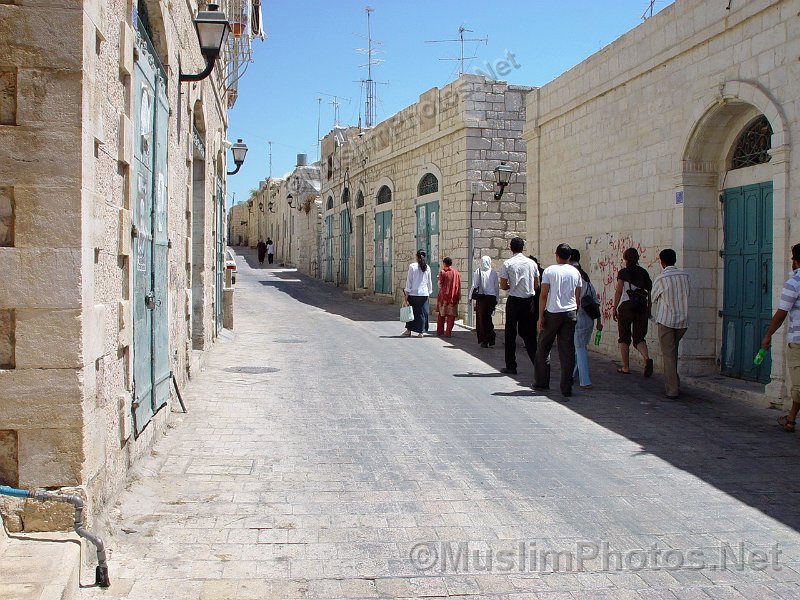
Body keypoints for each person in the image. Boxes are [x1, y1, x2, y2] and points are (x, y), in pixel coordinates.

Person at [534, 243, 582, 398]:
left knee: (543, 347)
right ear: (569, 257)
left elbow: (543, 294)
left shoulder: (549, 271)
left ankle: (542, 382)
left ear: (556, 255)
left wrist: (541, 316)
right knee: (567, 351)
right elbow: (578, 295)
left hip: (553, 312)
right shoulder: (575, 273)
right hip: (569, 313)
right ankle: (566, 387)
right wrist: (575, 311)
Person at [761, 243, 800, 432]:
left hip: (798, 342)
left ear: (795, 260)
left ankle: (791, 417)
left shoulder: (793, 282)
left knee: (799, 386)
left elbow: (781, 313)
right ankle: (791, 418)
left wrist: (768, 335)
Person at [651, 249, 690, 399]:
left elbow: (654, 297)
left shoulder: (661, 278)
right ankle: (676, 381)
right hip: (683, 320)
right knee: (672, 351)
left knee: (668, 354)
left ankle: (672, 389)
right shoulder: (685, 276)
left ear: (662, 262)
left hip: (667, 320)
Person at [499, 238, 540, 374]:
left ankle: (511, 366)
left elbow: (503, 285)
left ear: (511, 248)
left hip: (514, 300)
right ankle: (538, 364)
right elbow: (537, 284)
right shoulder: (532, 263)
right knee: (529, 334)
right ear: (523, 247)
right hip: (528, 301)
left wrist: (512, 286)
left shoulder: (508, 264)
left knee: (510, 333)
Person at [613, 247, 653, 377]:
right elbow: (649, 293)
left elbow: (619, 291)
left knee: (624, 338)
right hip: (641, 307)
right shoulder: (644, 273)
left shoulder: (624, 272)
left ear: (625, 259)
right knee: (639, 338)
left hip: (626, 307)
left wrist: (614, 308)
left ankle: (626, 367)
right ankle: (647, 358)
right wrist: (649, 309)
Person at [570, 249, 603, 389]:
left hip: (579, 315)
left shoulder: (573, 276)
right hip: (589, 317)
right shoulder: (586, 277)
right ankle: (573, 374)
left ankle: (585, 380)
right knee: (580, 346)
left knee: (580, 348)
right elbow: (594, 299)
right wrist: (599, 320)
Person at [403, 249, 433, 338]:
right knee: (422, 313)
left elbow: (409, 281)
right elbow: (429, 281)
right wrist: (429, 291)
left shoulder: (412, 266)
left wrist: (406, 293)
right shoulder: (427, 267)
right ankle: (421, 332)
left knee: (411, 312)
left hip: (413, 293)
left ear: (417, 256)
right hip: (424, 294)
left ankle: (409, 330)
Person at [471, 256, 500, 348]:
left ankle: (485, 339)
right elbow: (496, 287)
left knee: (481, 319)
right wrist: (496, 299)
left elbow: (474, 285)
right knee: (488, 318)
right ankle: (491, 336)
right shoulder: (494, 273)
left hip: (482, 298)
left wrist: (470, 296)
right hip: (491, 298)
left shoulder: (478, 272)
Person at [436, 257, 461, 337]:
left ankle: (440, 331)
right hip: (453, 296)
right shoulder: (456, 272)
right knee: (451, 315)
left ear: (444, 263)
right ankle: (448, 332)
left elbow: (440, 284)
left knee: (441, 314)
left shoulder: (443, 272)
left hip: (443, 297)